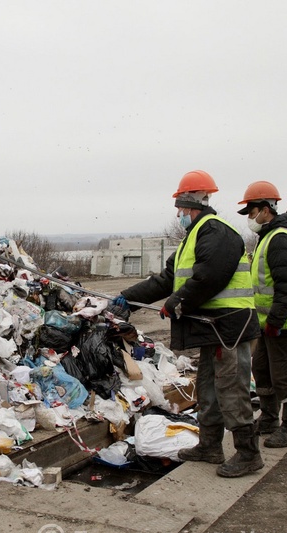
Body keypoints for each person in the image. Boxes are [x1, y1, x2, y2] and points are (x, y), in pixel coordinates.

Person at [112, 170, 262, 477]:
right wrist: (128, 297)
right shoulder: (194, 236)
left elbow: (209, 277)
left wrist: (177, 303)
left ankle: (248, 453)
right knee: (207, 388)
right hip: (213, 329)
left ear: (190, 202)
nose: (179, 214)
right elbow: (169, 279)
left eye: (181, 209)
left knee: (231, 389)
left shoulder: (215, 231)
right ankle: (209, 445)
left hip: (228, 328)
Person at [237, 181, 287, 447]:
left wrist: (275, 321)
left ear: (265, 209)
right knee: (262, 369)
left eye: (251, 212)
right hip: (270, 323)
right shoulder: (268, 237)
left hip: (285, 324)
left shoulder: (281, 239)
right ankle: (270, 419)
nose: (250, 218)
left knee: (284, 376)